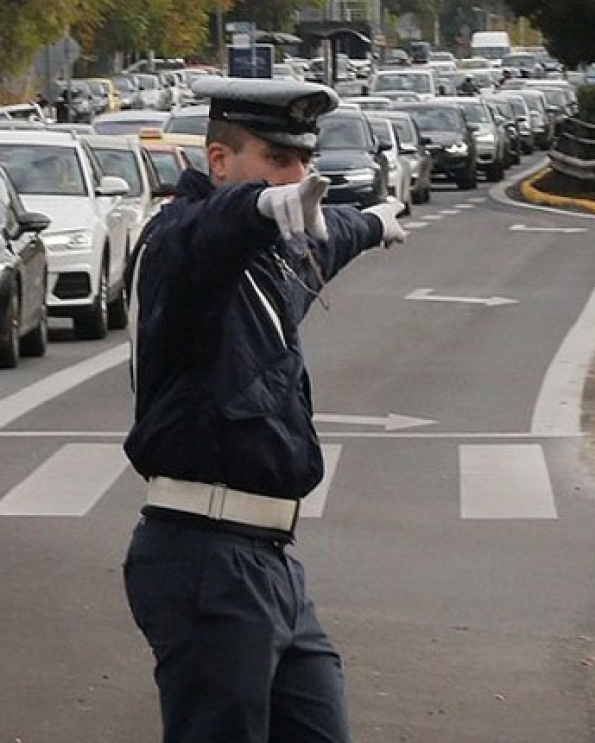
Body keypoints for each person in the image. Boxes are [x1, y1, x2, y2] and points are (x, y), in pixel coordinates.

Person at [121, 78, 407, 743]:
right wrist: (260, 206)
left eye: (304, 161)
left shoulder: (277, 255)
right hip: (203, 554)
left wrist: (370, 224)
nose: (300, 176)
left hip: (270, 559)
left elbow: (326, 234)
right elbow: (211, 229)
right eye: (279, 160)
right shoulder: (181, 246)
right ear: (219, 162)